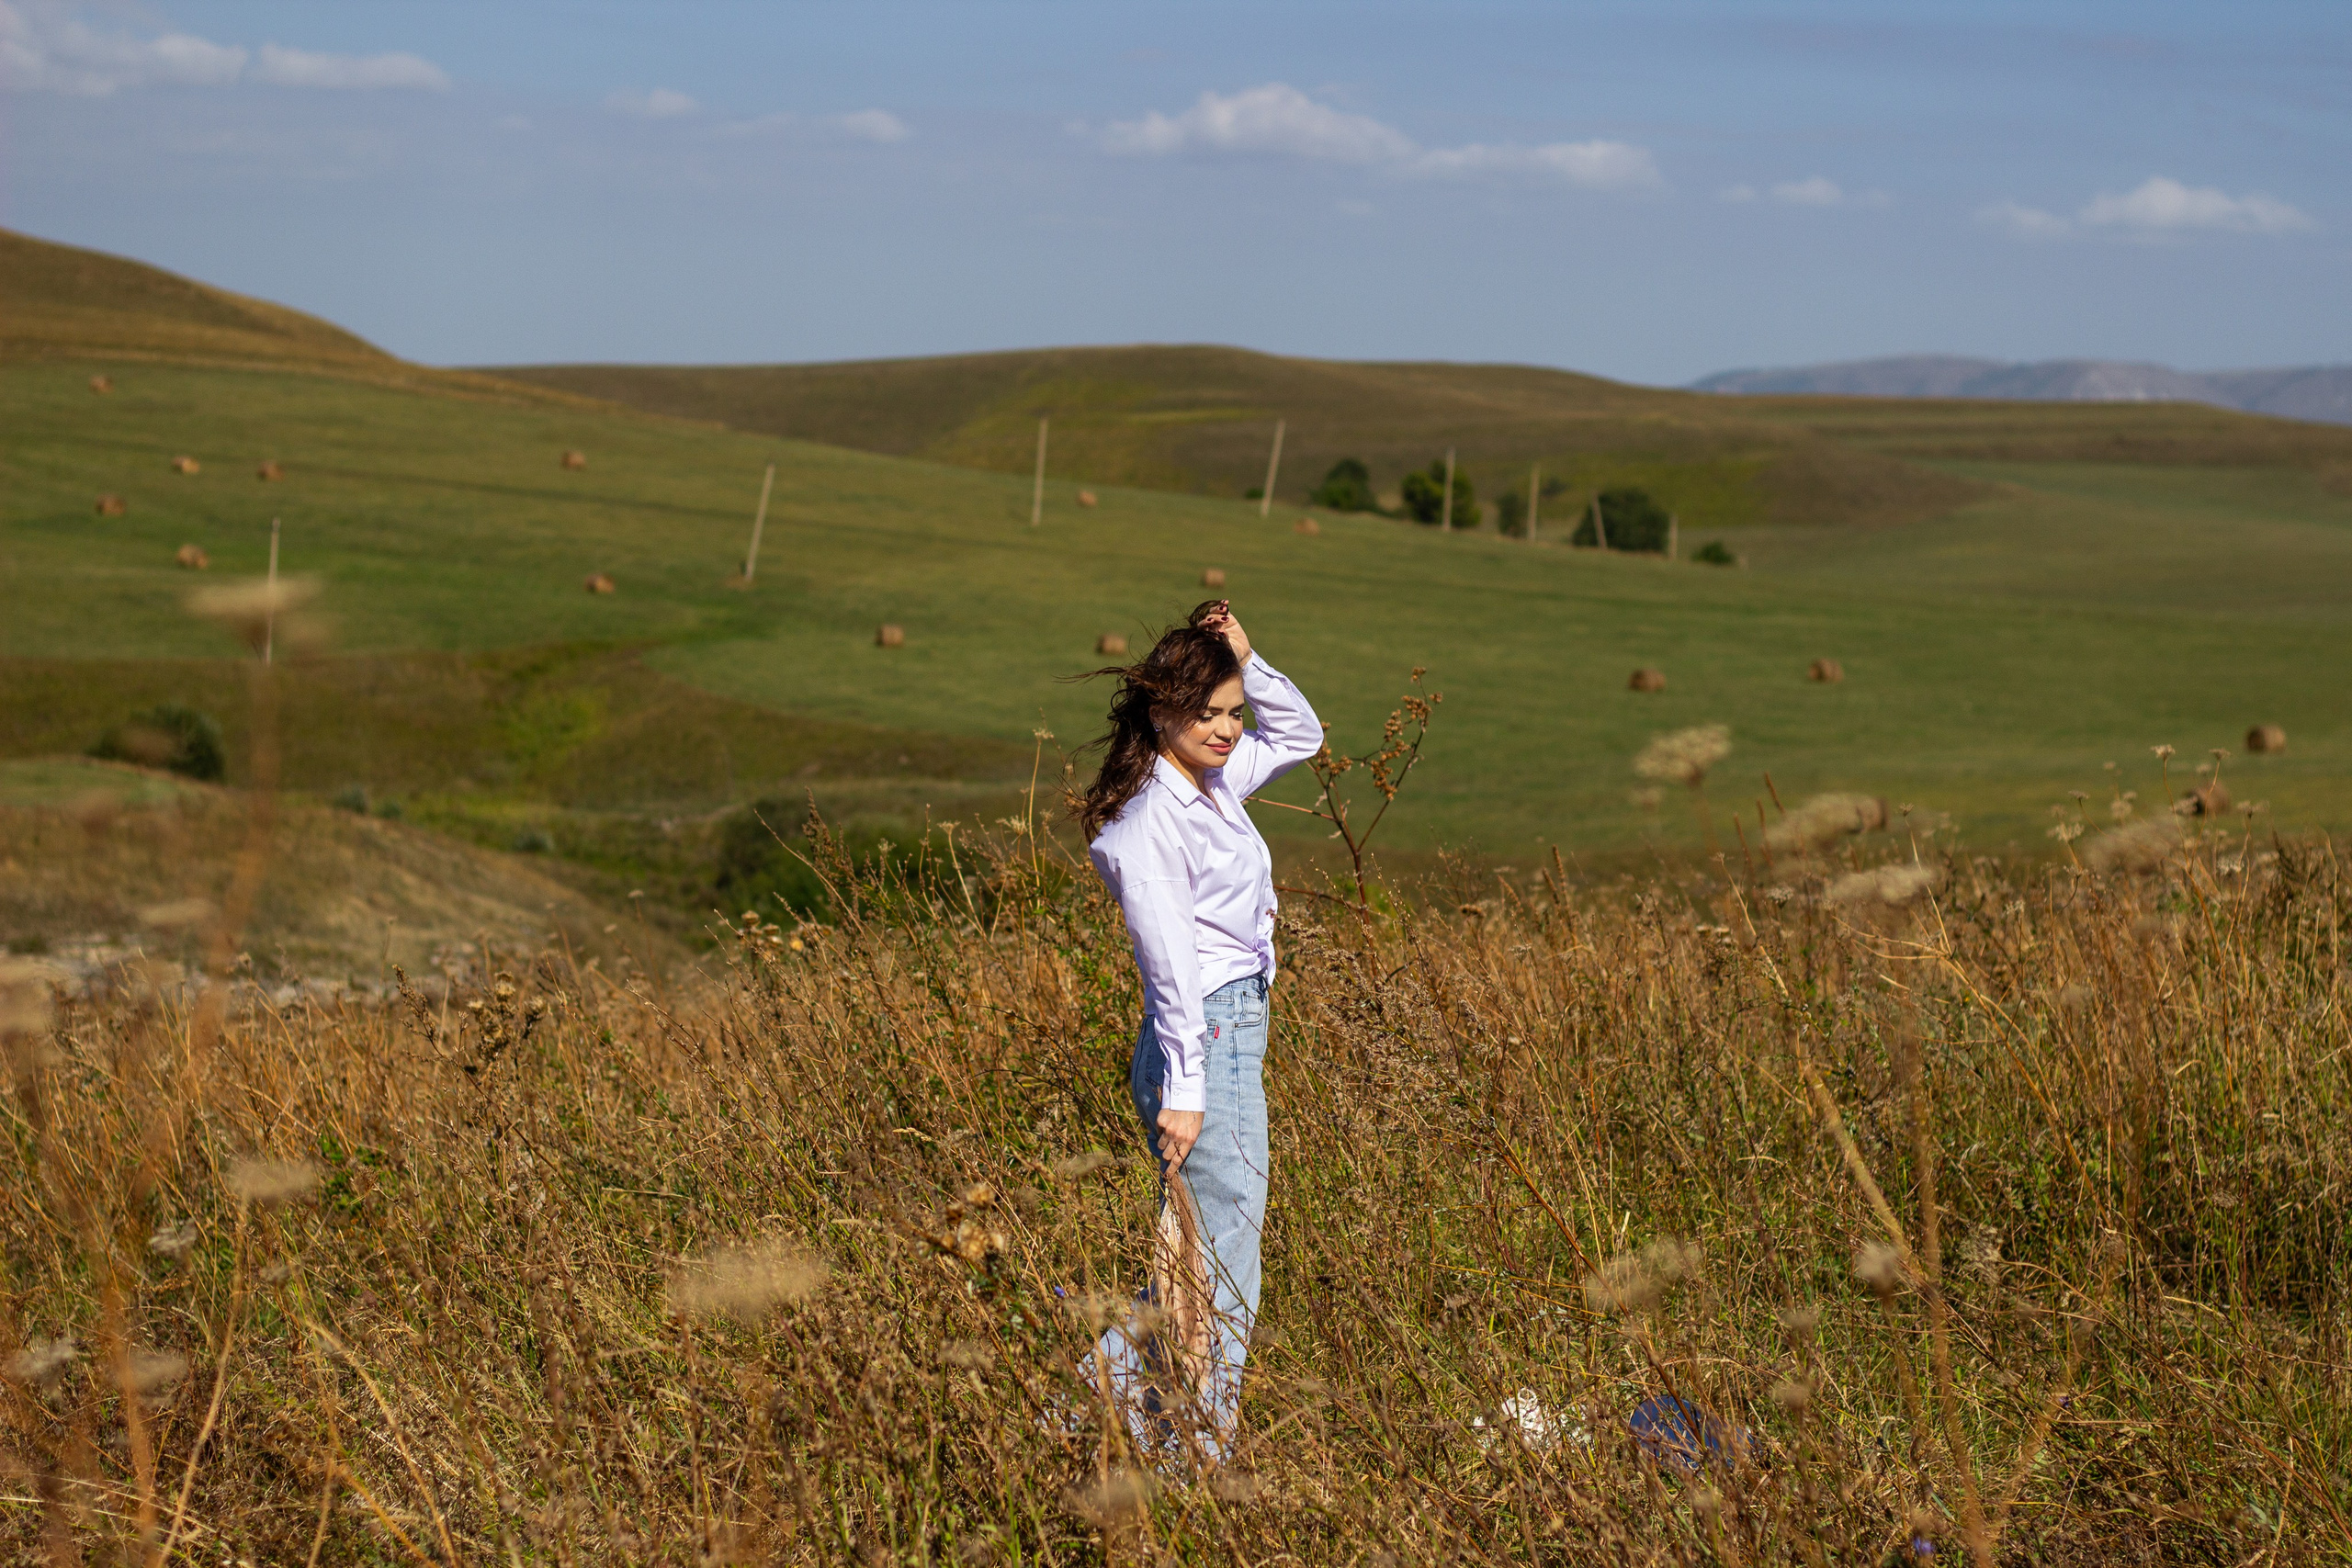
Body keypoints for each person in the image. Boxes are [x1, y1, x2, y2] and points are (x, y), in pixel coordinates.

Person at [1074, 599, 1323, 1464]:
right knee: (1220, 1272)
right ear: (1159, 711)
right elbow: (1169, 966)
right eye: (1205, 712)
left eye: (1230, 713)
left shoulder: (1209, 781)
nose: (1225, 729)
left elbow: (1301, 736)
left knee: (1195, 1264)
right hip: (1204, 1043)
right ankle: (1189, 1461)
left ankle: (1079, 1424)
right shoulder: (1153, 820)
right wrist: (1186, 1092)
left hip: (1221, 1036)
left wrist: (1247, 658)